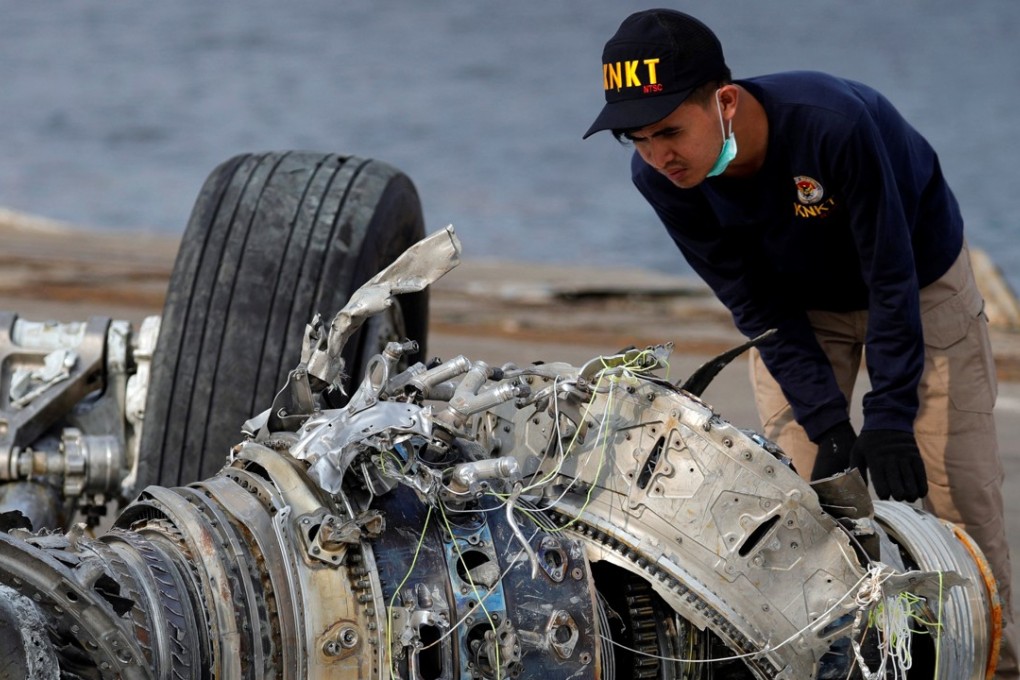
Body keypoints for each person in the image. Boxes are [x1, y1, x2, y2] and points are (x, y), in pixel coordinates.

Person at [583, 8, 1016, 678]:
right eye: (636, 140)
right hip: (799, 305)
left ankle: (996, 662)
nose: (657, 156)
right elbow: (755, 304)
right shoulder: (663, 182)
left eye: (670, 131)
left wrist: (891, 415)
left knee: (957, 491)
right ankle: (843, 660)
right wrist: (827, 422)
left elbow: (891, 273)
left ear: (723, 101)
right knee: (809, 504)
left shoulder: (833, 125)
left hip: (917, 281)